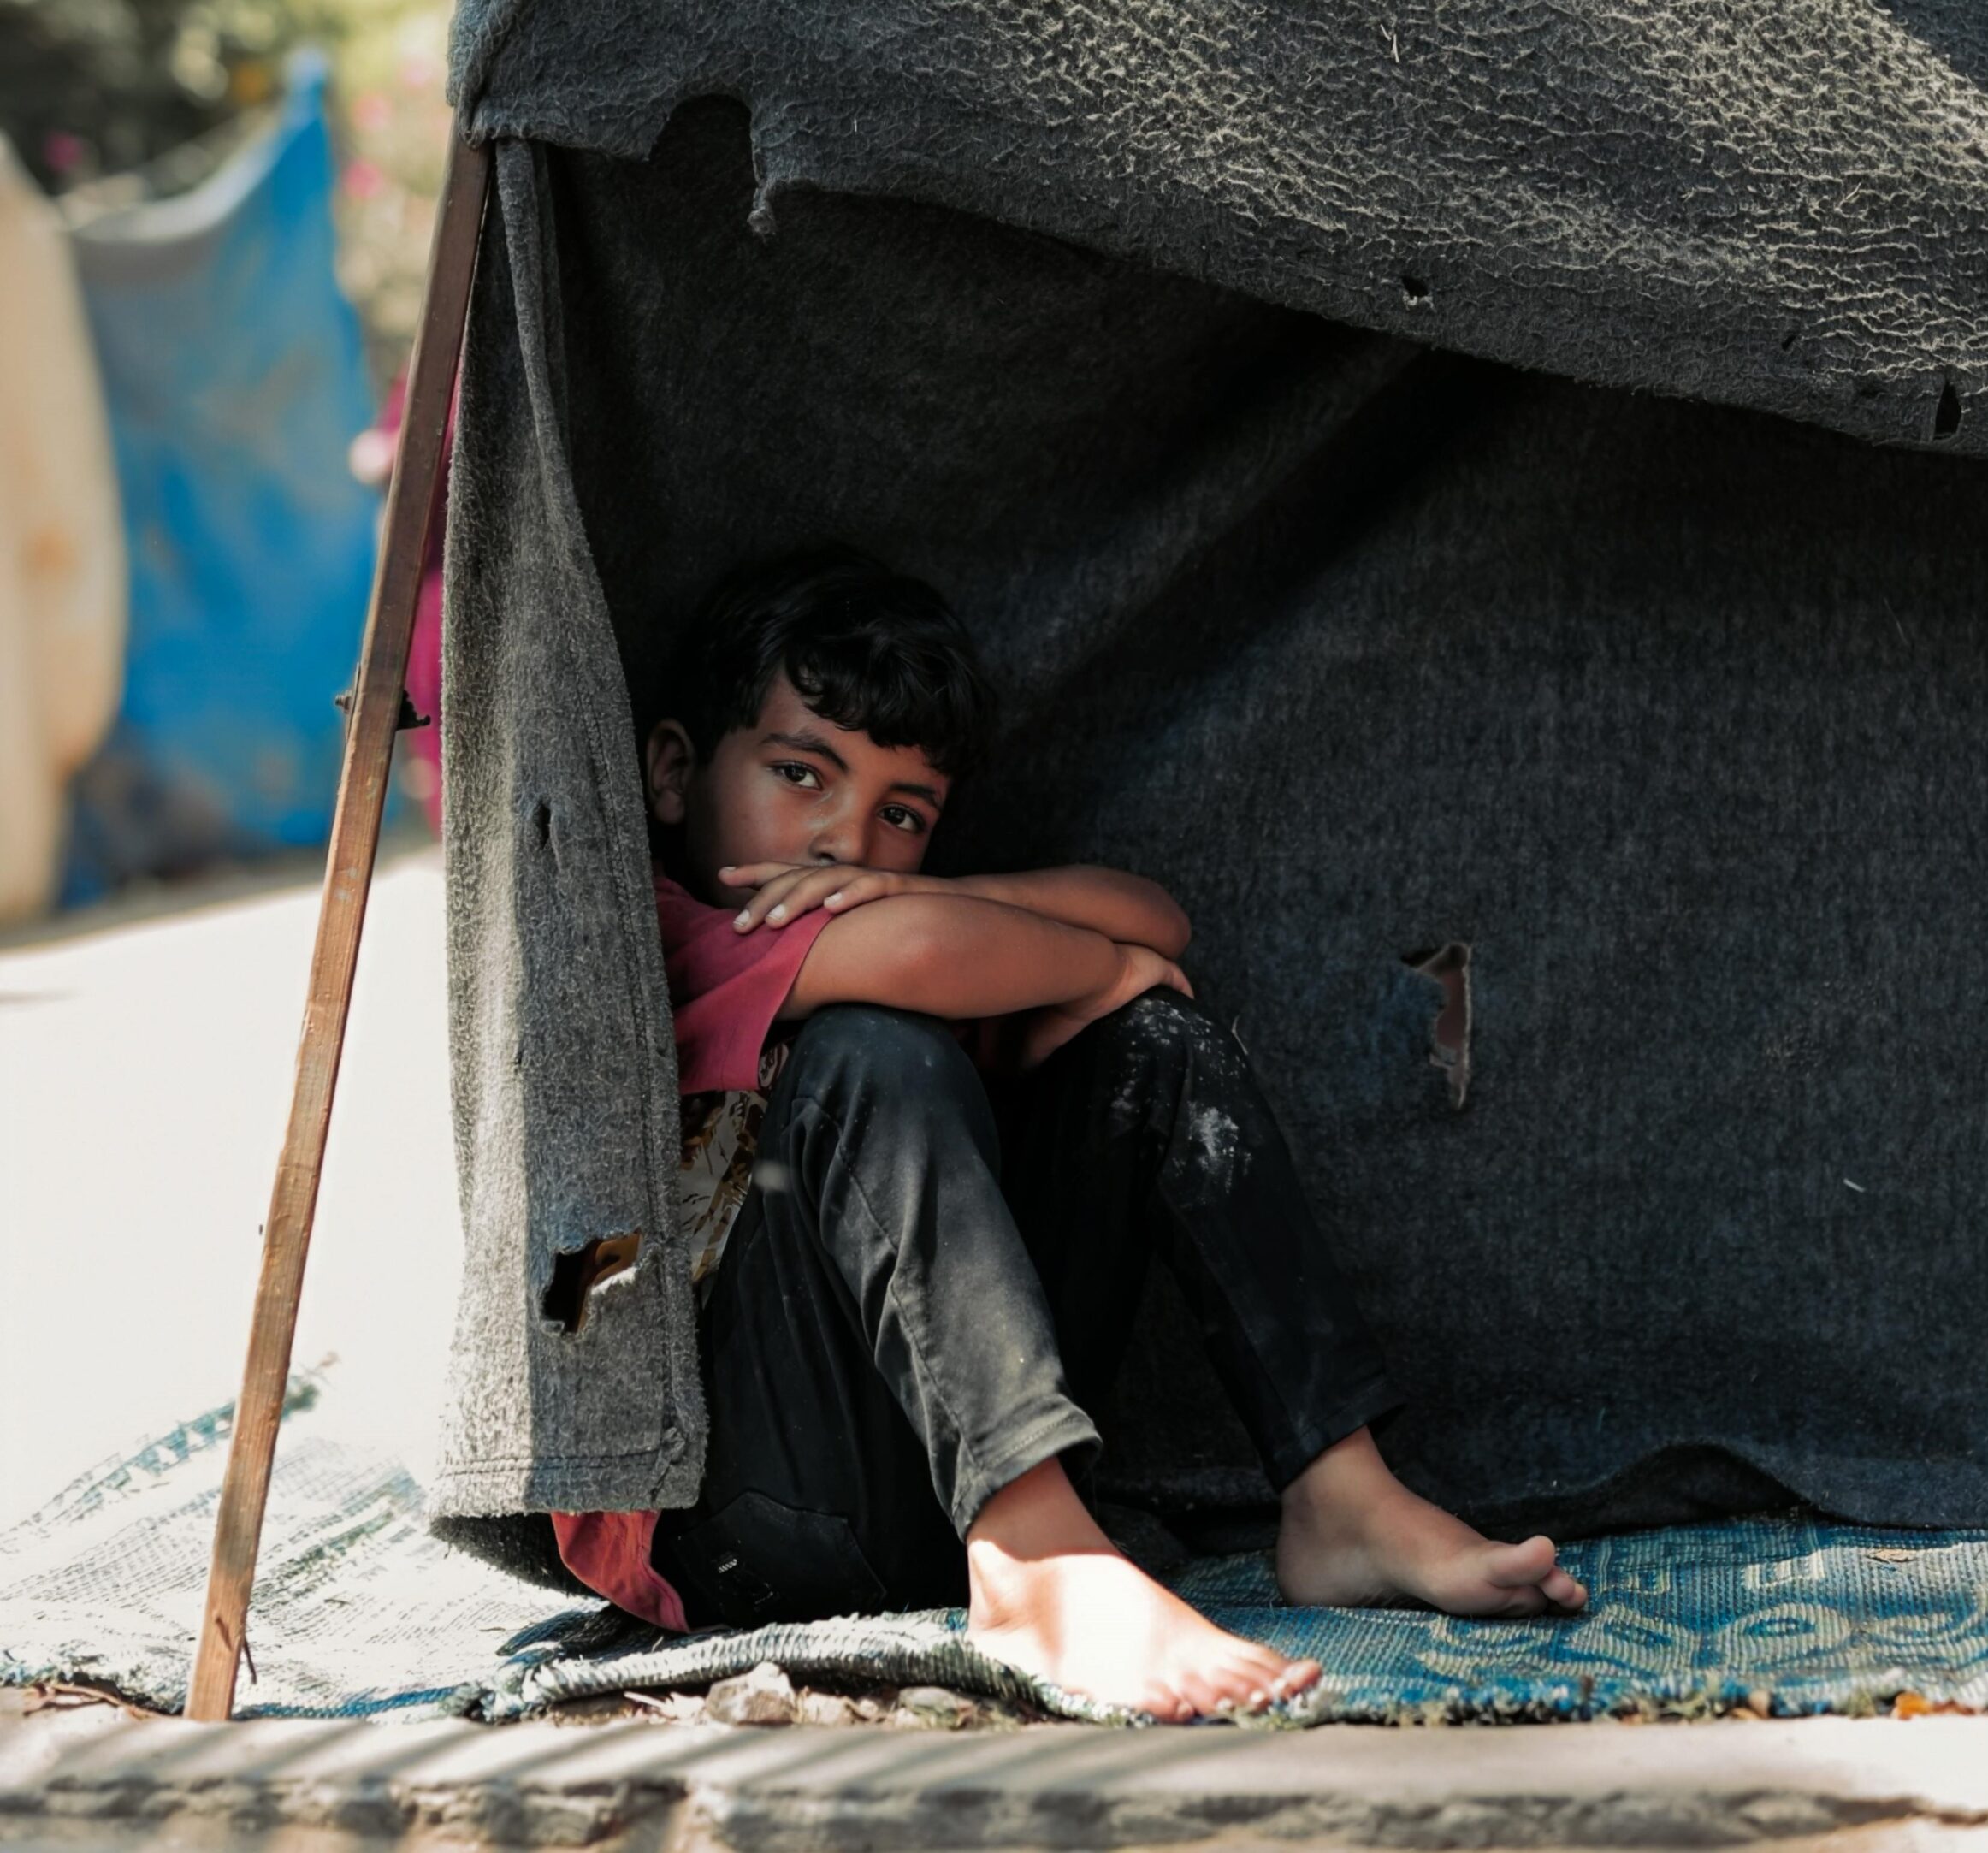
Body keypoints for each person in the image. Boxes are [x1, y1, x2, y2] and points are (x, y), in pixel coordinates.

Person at [550, 542, 1586, 1721]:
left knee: (1151, 1041)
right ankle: (1035, 1555)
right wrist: (1097, 957)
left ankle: (1338, 1491)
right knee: (874, 1049)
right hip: (741, 1523)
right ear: (676, 771)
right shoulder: (673, 932)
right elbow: (940, 952)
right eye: (800, 772)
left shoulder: (885, 908)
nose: (847, 841)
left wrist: (1100, 960)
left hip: (928, 1489)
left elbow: (1155, 916)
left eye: (902, 813)